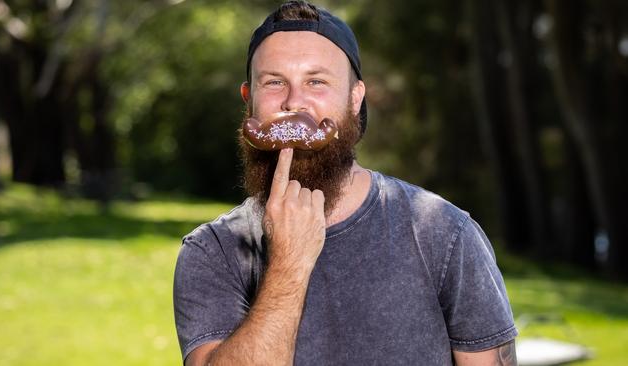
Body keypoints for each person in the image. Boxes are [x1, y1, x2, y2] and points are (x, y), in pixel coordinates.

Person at [173, 1, 518, 365]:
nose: (294, 103)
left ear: (355, 98)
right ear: (250, 101)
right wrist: (289, 263)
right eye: (274, 82)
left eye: (316, 82)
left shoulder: (443, 234)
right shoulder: (213, 252)